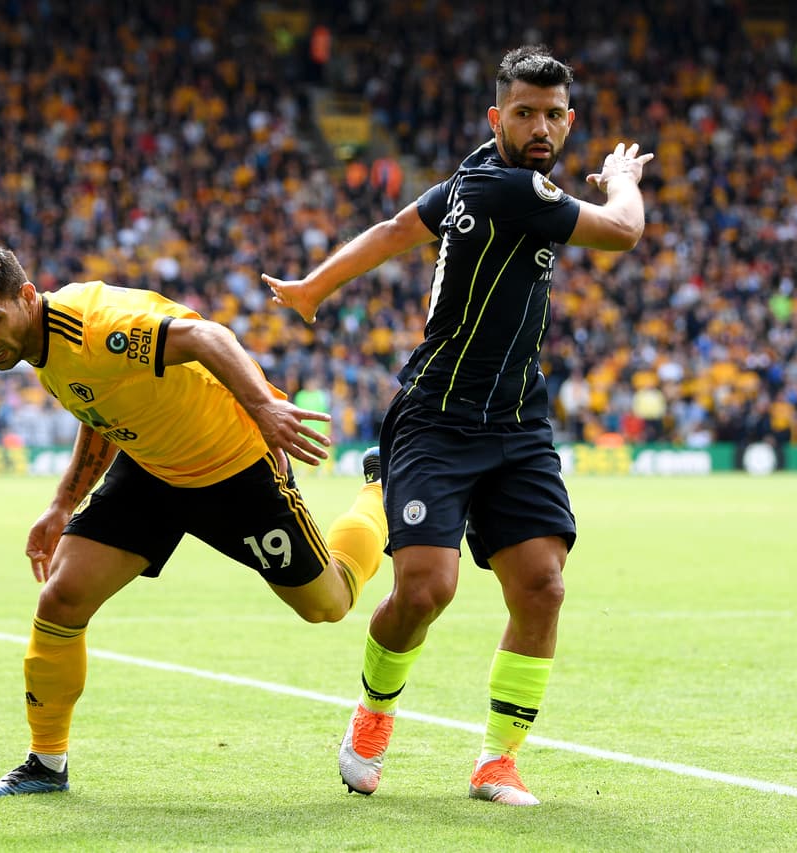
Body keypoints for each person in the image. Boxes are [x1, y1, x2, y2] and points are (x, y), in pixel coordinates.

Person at [262, 44, 654, 805]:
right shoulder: (513, 187)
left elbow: (393, 229)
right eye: (524, 113)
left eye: (552, 115)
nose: (540, 127)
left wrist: (315, 285)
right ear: (496, 116)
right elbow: (623, 232)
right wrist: (626, 180)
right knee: (424, 591)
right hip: (438, 417)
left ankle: (497, 762)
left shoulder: (474, 174)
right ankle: (374, 714)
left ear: (569, 121)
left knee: (541, 586)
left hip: (516, 419)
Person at [0, 241, 389, 797]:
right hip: (152, 470)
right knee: (62, 597)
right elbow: (100, 407)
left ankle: (380, 492)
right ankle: (45, 763)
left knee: (328, 604)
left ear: (27, 297)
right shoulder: (39, 345)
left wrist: (263, 408)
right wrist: (62, 504)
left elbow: (208, 337)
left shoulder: (95, 327)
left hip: (233, 467)